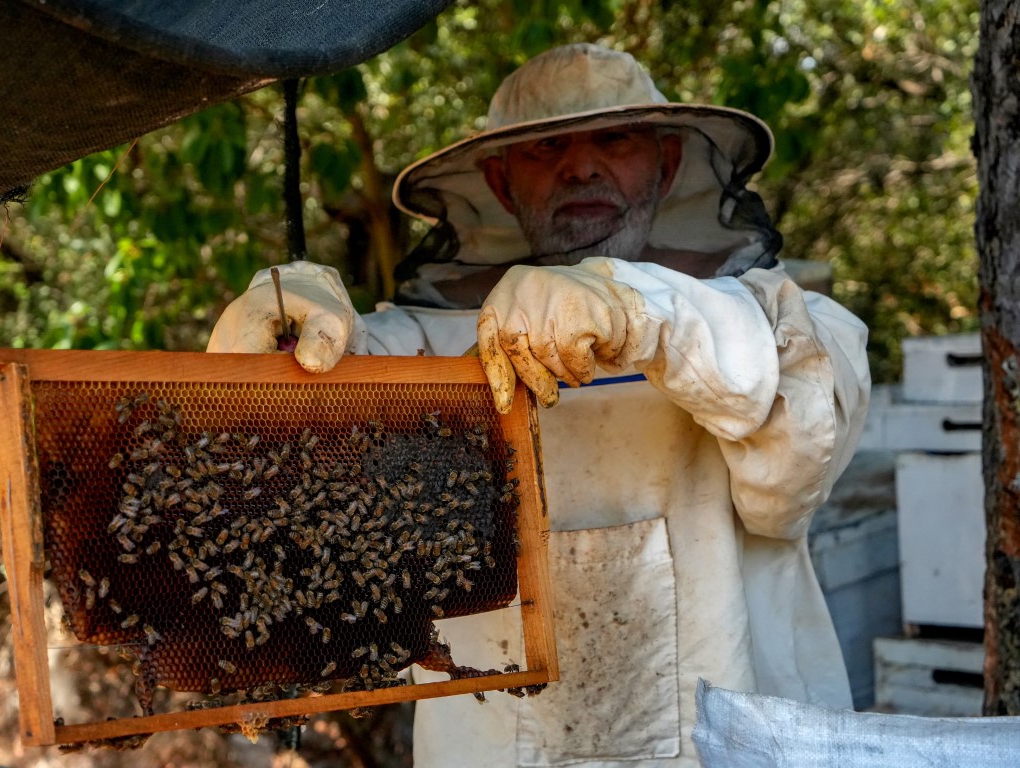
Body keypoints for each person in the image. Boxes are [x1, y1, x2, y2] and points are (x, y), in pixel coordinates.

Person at [209, 43, 870, 767]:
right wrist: (283, 328)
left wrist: (634, 308)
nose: (581, 166)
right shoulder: (424, 349)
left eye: (613, 139)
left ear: (667, 164)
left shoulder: (778, 325)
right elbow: (325, 398)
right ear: (498, 178)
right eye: (547, 145)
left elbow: (796, 472)